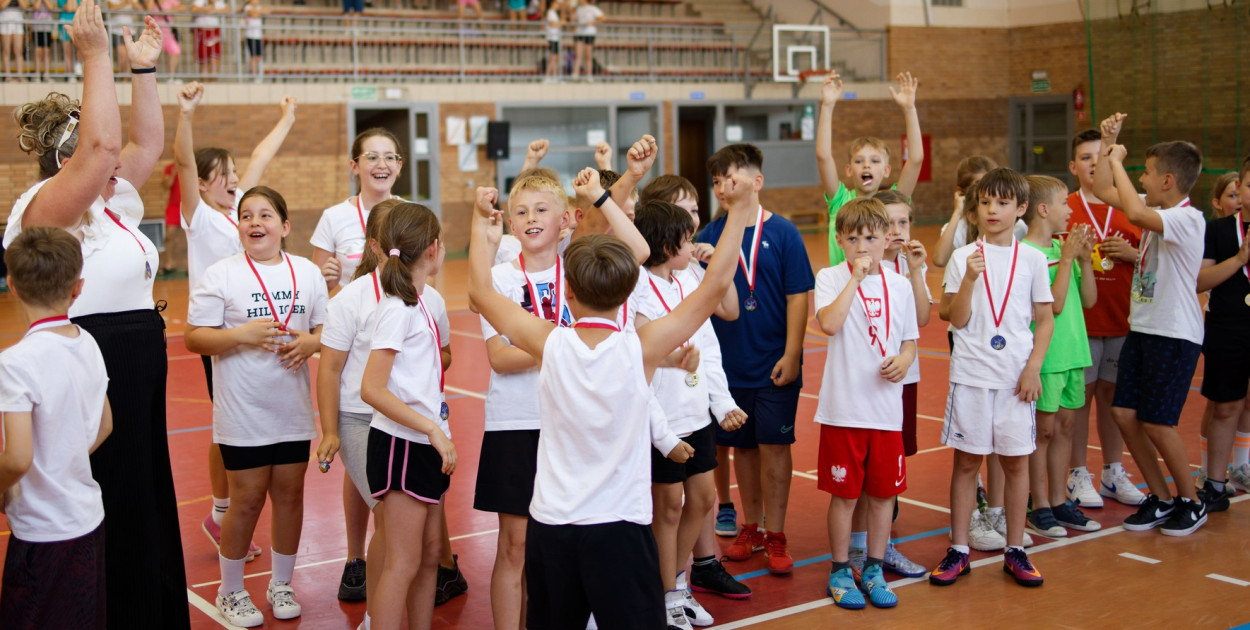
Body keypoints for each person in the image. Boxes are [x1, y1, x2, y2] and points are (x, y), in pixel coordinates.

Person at [468, 163, 753, 630]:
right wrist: (739, 210)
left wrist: (479, 222)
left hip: (554, 527)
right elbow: (717, 284)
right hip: (621, 528)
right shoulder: (641, 347)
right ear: (627, 297)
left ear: (570, 294)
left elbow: (479, 290)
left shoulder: (548, 341)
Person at [4, 5, 190, 627]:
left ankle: (148, 610)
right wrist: (93, 55)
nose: (116, 163)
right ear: (69, 160)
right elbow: (107, 143)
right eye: (95, 156)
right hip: (89, 354)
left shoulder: (113, 202)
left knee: (142, 495)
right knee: (103, 494)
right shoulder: (45, 207)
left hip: (138, 358)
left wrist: (141, 69)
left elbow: (147, 144)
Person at [185, 186, 327, 627]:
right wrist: (241, 335)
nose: (255, 223)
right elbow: (195, 336)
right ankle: (230, 591)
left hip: (292, 410)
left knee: (290, 495)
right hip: (243, 412)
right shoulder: (221, 275)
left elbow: (326, 331)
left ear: (284, 227)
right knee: (245, 500)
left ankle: (281, 583)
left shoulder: (307, 273)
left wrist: (311, 343)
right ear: (239, 228)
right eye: (246, 216)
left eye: (265, 215)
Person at [175, 80, 297, 560]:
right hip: (221, 334)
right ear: (203, 184)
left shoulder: (239, 214)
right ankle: (222, 513)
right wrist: (185, 115)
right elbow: (183, 162)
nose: (232, 178)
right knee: (227, 425)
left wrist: (286, 118)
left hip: (258, 333)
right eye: (221, 174)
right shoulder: (201, 217)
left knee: (230, 424)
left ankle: (221, 513)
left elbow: (261, 160)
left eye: (232, 172)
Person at [696, 143, 815, 576]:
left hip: (774, 364)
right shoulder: (708, 236)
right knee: (742, 451)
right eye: (715, 181)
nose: (722, 187)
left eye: (730, 177)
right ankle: (750, 526)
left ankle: (776, 532)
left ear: (756, 181)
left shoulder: (783, 233)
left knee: (775, 447)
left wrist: (793, 352)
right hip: (730, 370)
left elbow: (798, 294)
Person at [931, 167, 1053, 587]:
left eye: (1002, 203)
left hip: (1016, 379)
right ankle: (959, 549)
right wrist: (968, 278)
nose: (992, 210)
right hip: (972, 376)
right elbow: (955, 317)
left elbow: (1044, 319)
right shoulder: (965, 257)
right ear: (975, 209)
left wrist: (1034, 366)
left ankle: (1014, 547)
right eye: (985, 203)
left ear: (1020, 209)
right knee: (966, 464)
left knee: (1016, 465)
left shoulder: (1034, 259)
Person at [1092, 113, 1208, 536]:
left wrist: (1119, 160)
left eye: (1148, 172)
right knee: (1124, 414)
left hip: (1173, 335)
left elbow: (1136, 213)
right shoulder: (1160, 210)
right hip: (1144, 330)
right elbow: (1105, 189)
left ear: (1168, 181)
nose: (1141, 178)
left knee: (1159, 421)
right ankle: (1159, 497)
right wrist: (1110, 145)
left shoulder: (1186, 219)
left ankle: (1192, 501)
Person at [633, 199, 747, 628]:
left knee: (701, 500)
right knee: (669, 508)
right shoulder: (640, 289)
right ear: (666, 245)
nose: (694, 245)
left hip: (697, 416)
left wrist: (723, 403)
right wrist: (661, 433)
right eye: (686, 239)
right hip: (664, 423)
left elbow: (711, 350)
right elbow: (642, 367)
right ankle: (665, 595)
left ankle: (677, 584)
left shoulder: (691, 279)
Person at [0, 227, 112, 630]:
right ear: (78, 287)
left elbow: (16, 457)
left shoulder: (15, 363)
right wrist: (66, 457)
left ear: (11, 285)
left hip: (42, 531)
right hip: (87, 518)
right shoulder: (88, 342)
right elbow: (105, 424)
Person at [814, 198, 918, 610]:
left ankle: (874, 567)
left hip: (886, 412)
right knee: (844, 496)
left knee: (882, 496)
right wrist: (855, 281)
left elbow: (909, 339)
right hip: (844, 410)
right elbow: (829, 323)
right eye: (852, 238)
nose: (862, 246)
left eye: (871, 238)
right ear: (840, 240)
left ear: (886, 239)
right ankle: (840, 569)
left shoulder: (901, 284)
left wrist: (906, 360)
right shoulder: (829, 277)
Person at [359, 203, 456, 630]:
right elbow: (372, 389)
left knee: (430, 553)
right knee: (401, 562)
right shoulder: (397, 309)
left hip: (424, 443)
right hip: (402, 444)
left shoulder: (422, 303)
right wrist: (432, 428)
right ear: (433, 250)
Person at [842, 188, 929, 578]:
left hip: (901, 381)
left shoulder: (906, 272)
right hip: (861, 389)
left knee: (887, 474)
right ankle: (859, 548)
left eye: (903, 222)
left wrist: (914, 270)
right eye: (888, 223)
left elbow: (922, 321)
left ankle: (883, 545)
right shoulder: (858, 266)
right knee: (861, 475)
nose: (896, 230)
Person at [1062, 128, 1147, 509]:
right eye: (1085, 158)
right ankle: (1077, 472)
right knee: (1080, 400)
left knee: (1114, 398)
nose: (1094, 163)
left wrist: (1133, 254)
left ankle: (1114, 470)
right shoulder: (1064, 208)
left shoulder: (1133, 207)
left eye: (1101, 156)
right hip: (1081, 324)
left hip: (1123, 319)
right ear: (1073, 166)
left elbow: (1157, 256)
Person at [1020, 175, 1101, 539]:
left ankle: (1057, 499)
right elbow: (1053, 304)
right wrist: (1067, 259)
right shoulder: (1028, 254)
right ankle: (1038, 505)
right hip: (1048, 357)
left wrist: (1083, 260)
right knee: (1045, 431)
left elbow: (1088, 300)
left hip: (1074, 351)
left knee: (1067, 426)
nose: (1070, 211)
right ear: (1043, 209)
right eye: (1064, 203)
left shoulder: (1060, 248)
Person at [816, 70, 925, 267]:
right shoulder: (841, 200)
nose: (866, 165)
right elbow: (823, 156)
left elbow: (916, 159)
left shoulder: (893, 201)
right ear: (849, 170)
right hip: (845, 287)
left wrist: (909, 109)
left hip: (880, 289)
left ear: (886, 171)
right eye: (859, 161)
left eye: (875, 161)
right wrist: (827, 106)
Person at [1193, 156, 1250, 511]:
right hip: (1228, 327)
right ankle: (1214, 482)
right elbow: (1199, 280)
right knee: (1226, 405)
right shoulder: (1217, 231)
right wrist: (1240, 259)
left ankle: (1243, 465)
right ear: (1239, 189)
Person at [313, 127, 405, 293]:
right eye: (372, 157)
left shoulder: (413, 214)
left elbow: (428, 280)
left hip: (401, 315)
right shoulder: (333, 217)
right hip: (353, 317)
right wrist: (325, 282)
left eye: (389, 157)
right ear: (354, 166)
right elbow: (314, 287)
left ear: (398, 166)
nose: (382, 164)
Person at [932, 155, 998, 268]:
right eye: (979, 184)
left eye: (992, 185)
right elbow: (939, 259)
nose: (987, 193)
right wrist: (957, 212)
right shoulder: (958, 227)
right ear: (961, 191)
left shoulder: (1007, 223)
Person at [189, 0, 224, 75]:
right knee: (203, 59)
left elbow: (227, 9)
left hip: (214, 31)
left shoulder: (219, 2)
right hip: (202, 32)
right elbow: (193, 8)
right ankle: (204, 81)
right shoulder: (199, 1)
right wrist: (206, 9)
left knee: (215, 57)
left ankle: (213, 82)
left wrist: (214, 10)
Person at [571, 0, 602, 81]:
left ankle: (589, 75)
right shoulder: (578, 9)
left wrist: (592, 22)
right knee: (578, 54)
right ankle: (575, 74)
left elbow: (602, 17)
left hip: (589, 33)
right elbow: (574, 19)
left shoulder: (592, 8)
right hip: (579, 33)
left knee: (588, 55)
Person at [160, 161, 181, 275]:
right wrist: (173, 173)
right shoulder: (170, 168)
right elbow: (167, 185)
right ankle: (169, 263)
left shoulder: (191, 167)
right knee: (169, 236)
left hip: (188, 205)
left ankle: (190, 266)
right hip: (174, 207)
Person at [107, 0, 139, 72]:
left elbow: (141, 10)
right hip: (116, 31)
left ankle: (126, 78)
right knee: (122, 55)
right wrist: (125, 2)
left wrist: (132, 3)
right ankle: (123, 79)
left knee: (131, 57)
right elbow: (111, 8)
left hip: (130, 32)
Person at [0, 0, 28, 78]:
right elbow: (2, 6)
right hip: (5, 18)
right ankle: (7, 76)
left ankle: (20, 75)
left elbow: (24, 6)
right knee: (6, 50)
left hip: (18, 19)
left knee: (19, 50)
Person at [31, 0, 56, 79]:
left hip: (47, 27)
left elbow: (51, 7)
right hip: (36, 27)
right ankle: (37, 74)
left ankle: (47, 74)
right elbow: (36, 7)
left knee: (47, 51)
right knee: (38, 51)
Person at [543, 0, 562, 81]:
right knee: (553, 57)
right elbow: (553, 24)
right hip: (552, 37)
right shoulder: (550, 12)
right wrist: (562, 23)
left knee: (555, 58)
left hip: (555, 37)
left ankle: (555, 75)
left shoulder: (554, 13)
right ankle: (548, 75)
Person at [242, 0, 261, 78]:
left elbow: (267, 11)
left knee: (259, 56)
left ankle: (256, 73)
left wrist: (257, 12)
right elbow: (254, 14)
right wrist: (258, 12)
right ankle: (253, 74)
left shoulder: (259, 7)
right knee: (253, 56)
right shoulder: (247, 7)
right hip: (250, 35)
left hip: (258, 35)